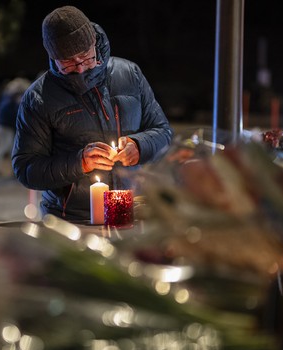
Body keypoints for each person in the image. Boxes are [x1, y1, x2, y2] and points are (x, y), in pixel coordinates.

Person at [12, 5, 173, 222]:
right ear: (53, 57)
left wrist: (139, 145)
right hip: (71, 219)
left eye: (85, 56)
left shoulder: (129, 74)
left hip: (134, 212)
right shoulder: (39, 98)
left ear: (94, 44)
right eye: (68, 61)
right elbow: (26, 169)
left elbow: (164, 133)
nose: (80, 68)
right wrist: (79, 163)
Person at [0, 77, 30, 177]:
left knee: (9, 147)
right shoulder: (12, 98)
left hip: (4, 125)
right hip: (7, 125)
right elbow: (15, 112)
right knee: (5, 146)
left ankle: (12, 169)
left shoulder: (6, 96)